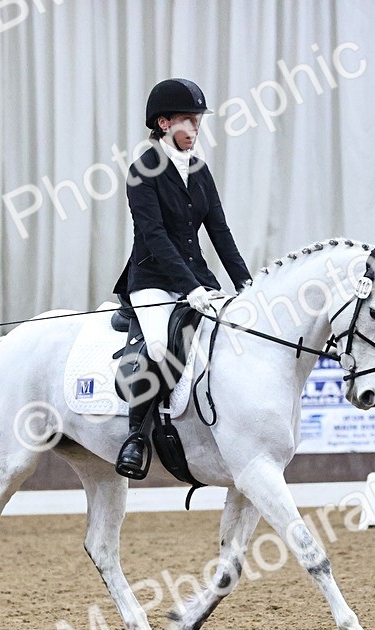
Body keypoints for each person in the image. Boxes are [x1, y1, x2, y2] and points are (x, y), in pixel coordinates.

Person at [112, 77, 253, 479]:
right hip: (153, 278)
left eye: (197, 122)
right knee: (159, 348)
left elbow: (220, 233)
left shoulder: (200, 170)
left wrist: (247, 287)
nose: (194, 129)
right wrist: (188, 287)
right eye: (186, 121)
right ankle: (135, 437)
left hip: (197, 278)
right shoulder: (143, 171)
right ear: (162, 124)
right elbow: (154, 236)